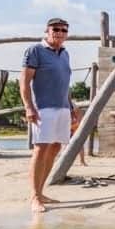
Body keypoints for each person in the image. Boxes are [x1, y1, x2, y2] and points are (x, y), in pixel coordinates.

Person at [22, 17, 79, 214]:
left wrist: (72, 107)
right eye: (56, 29)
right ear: (47, 30)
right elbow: (24, 82)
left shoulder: (65, 54)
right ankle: (34, 197)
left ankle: (41, 191)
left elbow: (65, 83)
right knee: (41, 149)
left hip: (63, 108)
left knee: (55, 148)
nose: (60, 33)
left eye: (64, 30)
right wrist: (29, 107)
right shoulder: (35, 51)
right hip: (43, 109)